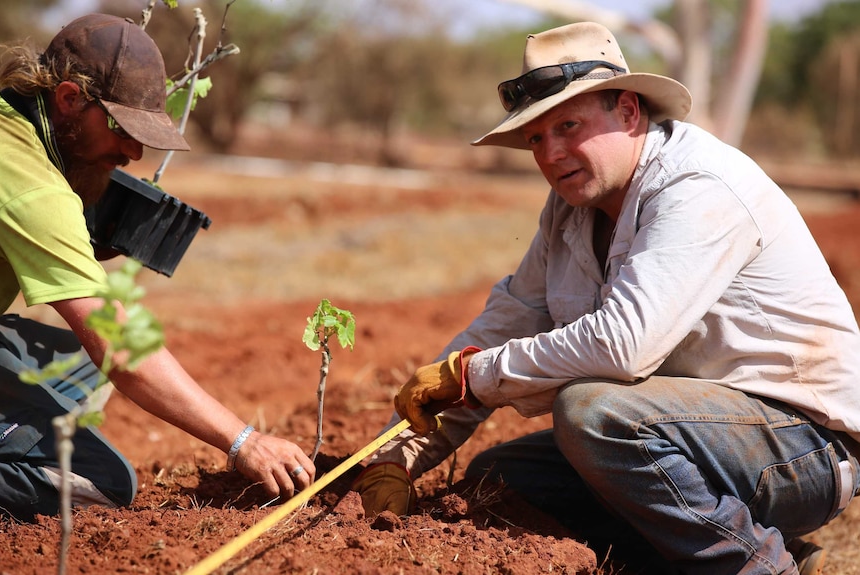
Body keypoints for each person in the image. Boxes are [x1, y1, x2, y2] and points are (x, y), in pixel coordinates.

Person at [353, 21, 860, 575]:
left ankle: (760, 567)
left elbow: (625, 346)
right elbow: (507, 322)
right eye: (536, 139)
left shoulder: (698, 187)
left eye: (568, 125)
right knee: (504, 480)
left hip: (805, 448)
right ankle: (781, 550)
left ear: (628, 110)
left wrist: (474, 376)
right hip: (703, 435)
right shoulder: (569, 210)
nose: (551, 153)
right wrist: (394, 460)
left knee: (592, 413)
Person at [0, 13, 315, 522]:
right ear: (69, 99)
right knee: (105, 483)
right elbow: (120, 349)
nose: (134, 151)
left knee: (77, 366)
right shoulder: (36, 192)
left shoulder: (12, 127)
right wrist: (242, 441)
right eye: (122, 129)